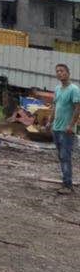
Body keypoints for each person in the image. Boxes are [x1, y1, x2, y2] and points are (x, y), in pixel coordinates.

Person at [51, 63, 80, 195]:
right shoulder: (57, 89)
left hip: (66, 130)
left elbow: (77, 108)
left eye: (62, 71)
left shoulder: (74, 89)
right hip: (56, 128)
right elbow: (55, 106)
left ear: (68, 73)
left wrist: (71, 125)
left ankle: (68, 185)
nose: (59, 73)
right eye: (57, 71)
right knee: (61, 156)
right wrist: (49, 122)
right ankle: (65, 182)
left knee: (65, 157)